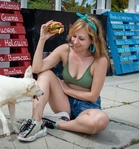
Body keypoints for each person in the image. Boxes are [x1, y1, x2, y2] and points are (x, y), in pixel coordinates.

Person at [17, 13, 110, 142]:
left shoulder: (100, 60)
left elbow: (93, 96)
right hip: (64, 103)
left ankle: (57, 124)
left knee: (100, 121)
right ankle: (36, 122)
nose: (75, 42)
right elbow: (37, 68)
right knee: (45, 74)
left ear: (92, 40)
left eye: (81, 39)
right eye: (74, 36)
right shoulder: (64, 50)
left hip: (87, 106)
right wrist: (42, 39)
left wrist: (67, 90)